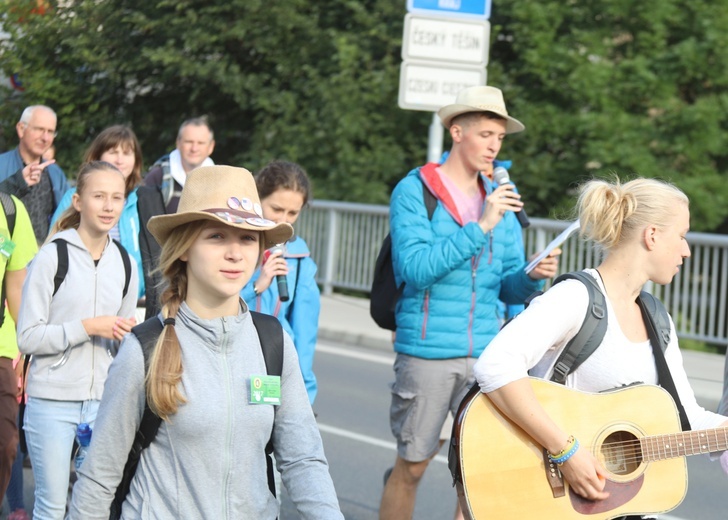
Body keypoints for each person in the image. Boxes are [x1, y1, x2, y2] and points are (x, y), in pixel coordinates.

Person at [68, 165, 343, 519]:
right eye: (216, 236)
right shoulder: (144, 348)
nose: (235, 253)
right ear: (184, 247)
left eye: (247, 238)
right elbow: (99, 477)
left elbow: (303, 459)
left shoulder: (273, 342)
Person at [474, 177, 728, 519]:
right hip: (556, 500)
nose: (686, 250)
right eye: (681, 236)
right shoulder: (575, 298)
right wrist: (566, 452)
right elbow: (495, 366)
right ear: (652, 235)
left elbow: (685, 417)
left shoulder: (657, 317)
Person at [378, 85, 560, 520]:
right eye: (485, 135)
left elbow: (508, 288)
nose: (494, 146)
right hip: (427, 354)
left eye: (499, 137)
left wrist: (531, 277)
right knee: (413, 467)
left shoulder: (500, 195)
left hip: (487, 355)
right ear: (457, 132)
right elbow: (416, 269)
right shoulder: (414, 191)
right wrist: (481, 226)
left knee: (477, 474)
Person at [17, 161, 139, 520]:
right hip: (51, 402)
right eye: (98, 196)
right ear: (77, 201)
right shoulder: (53, 255)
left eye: (116, 197)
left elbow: (122, 343)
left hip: (103, 405)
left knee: (93, 510)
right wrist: (87, 327)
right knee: (52, 508)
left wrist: (126, 338)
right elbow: (27, 336)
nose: (108, 206)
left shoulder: (126, 264)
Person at [50, 125, 165, 320]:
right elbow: (56, 244)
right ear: (98, 155)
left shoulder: (145, 200)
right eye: (113, 152)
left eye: (127, 153)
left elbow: (159, 253)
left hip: (136, 305)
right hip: (81, 305)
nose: (120, 159)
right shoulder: (74, 198)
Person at [240, 160, 321, 405]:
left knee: (265, 437)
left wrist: (304, 398)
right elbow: (207, 305)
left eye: (293, 213)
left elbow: (304, 337)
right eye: (276, 208)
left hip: (270, 368)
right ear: (257, 199)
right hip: (230, 359)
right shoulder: (233, 245)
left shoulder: (300, 260)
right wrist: (256, 285)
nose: (283, 220)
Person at [0, 194, 37, 518]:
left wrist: (25, 350)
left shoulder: (10, 211)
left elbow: (16, 288)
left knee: (7, 442)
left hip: (3, 349)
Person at [0, 105, 70, 243]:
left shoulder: (56, 174)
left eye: (50, 132)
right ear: (21, 129)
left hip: (45, 256)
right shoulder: (2, 165)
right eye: (39, 129)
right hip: (7, 253)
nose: (45, 138)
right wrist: (10, 255)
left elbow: (68, 217)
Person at [143, 116, 215, 213]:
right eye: (189, 142)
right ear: (178, 143)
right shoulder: (157, 177)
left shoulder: (220, 181)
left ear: (211, 146)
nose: (194, 148)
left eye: (201, 143)